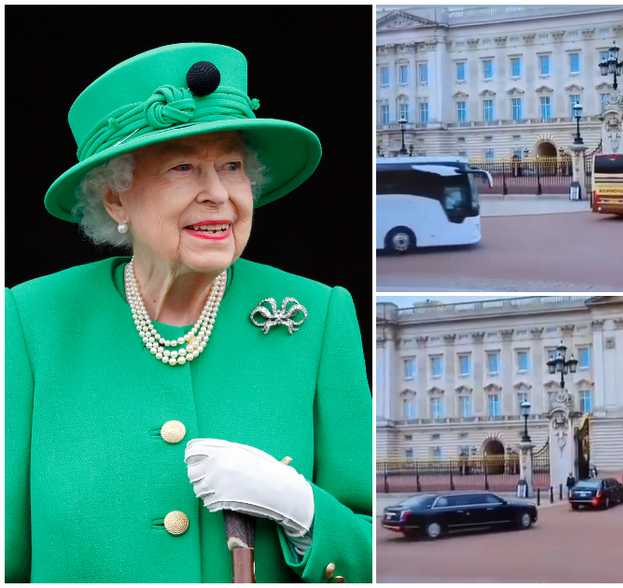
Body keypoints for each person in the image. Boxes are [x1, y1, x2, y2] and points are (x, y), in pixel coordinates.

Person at [5, 43, 372, 582]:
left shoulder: (318, 318)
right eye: (183, 168)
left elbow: (381, 550)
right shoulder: (29, 322)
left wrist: (306, 513)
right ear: (115, 199)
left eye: (232, 165)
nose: (219, 194)